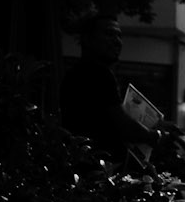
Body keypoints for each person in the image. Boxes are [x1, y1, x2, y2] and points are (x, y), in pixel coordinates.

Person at [60, 14, 144, 162]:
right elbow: (124, 126)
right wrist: (154, 135)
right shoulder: (99, 74)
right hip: (97, 169)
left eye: (119, 36)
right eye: (109, 34)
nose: (117, 41)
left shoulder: (77, 72)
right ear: (87, 39)